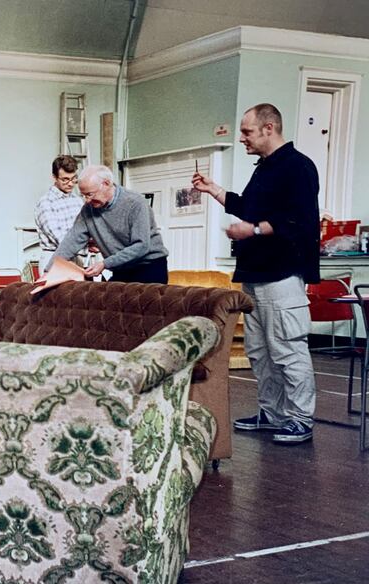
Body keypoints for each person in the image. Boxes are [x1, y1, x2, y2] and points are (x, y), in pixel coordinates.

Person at [192, 103, 320, 444]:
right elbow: (247, 206)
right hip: (256, 275)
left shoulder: (298, 167)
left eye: (247, 131)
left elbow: (301, 222)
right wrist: (214, 189)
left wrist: (255, 231)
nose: (242, 137)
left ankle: (300, 418)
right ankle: (273, 413)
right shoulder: (265, 168)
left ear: (269, 128)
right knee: (260, 351)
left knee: (287, 348)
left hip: (282, 276)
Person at [47, 165, 169, 283]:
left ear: (106, 184)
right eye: (83, 195)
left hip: (149, 266)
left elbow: (141, 246)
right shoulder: (88, 209)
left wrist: (104, 264)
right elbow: (70, 241)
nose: (87, 200)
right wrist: (48, 272)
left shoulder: (135, 203)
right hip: (121, 268)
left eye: (90, 194)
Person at [34, 155, 86, 272]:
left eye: (73, 179)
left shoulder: (78, 200)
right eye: (65, 179)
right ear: (54, 177)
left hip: (77, 257)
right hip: (54, 259)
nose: (71, 184)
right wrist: (86, 245)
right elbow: (60, 238)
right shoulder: (46, 203)